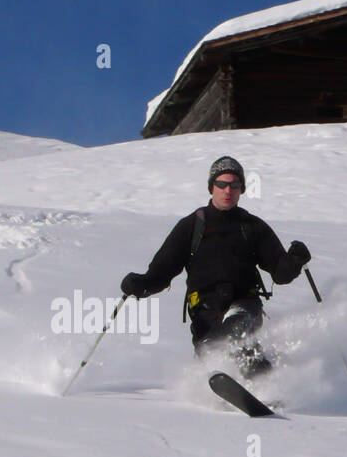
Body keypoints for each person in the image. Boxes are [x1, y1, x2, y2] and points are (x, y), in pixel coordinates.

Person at [120, 156, 311, 378]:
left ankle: (266, 386)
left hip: (244, 304)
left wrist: (295, 260)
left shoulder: (251, 227)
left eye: (234, 185)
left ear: (241, 190)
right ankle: (250, 384)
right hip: (204, 310)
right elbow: (162, 271)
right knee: (211, 355)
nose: (228, 190)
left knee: (230, 334)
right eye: (222, 184)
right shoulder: (192, 226)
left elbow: (280, 272)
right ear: (212, 187)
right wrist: (141, 284)